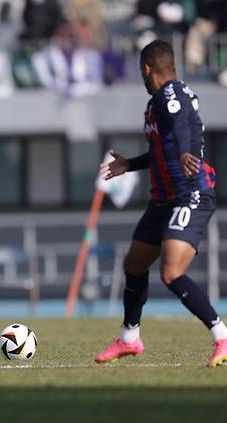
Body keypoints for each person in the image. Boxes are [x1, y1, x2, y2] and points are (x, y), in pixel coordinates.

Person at [95, 40, 227, 368]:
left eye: (141, 71)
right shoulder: (156, 103)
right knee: (135, 264)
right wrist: (130, 165)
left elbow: (182, 126)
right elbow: (160, 151)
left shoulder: (171, 95)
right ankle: (129, 339)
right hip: (164, 200)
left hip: (190, 194)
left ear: (147, 69)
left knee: (170, 272)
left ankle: (222, 336)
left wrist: (185, 151)